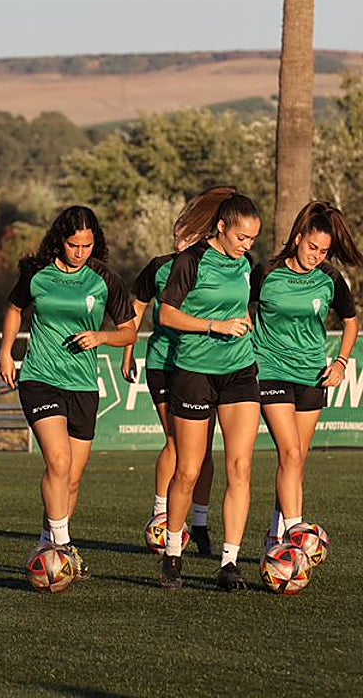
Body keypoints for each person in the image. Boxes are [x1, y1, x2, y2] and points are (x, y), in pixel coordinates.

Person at [0, 205, 136, 579]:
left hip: (84, 385)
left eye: (87, 245)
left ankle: (47, 542)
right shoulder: (37, 273)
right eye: (74, 245)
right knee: (57, 462)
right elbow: (15, 308)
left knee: (72, 477)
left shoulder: (104, 278)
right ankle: (62, 547)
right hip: (40, 377)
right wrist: (7, 351)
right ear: (60, 240)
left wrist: (102, 338)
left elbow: (129, 330)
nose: (80, 252)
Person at [157, 191, 262, 592]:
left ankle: (230, 563)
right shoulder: (191, 261)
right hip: (194, 372)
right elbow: (167, 314)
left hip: (238, 372)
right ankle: (172, 553)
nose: (246, 246)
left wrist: (244, 324)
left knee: (241, 467)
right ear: (222, 227)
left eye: (252, 239)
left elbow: (243, 307)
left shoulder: (246, 264)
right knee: (188, 469)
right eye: (241, 237)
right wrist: (213, 326)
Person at [123, 188, 236, 557]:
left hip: (203, 364)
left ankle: (200, 524)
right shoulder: (159, 266)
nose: (180, 241)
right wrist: (129, 350)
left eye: (186, 235)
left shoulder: (210, 266)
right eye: (177, 235)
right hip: (163, 362)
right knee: (176, 442)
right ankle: (161, 516)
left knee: (204, 452)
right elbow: (136, 307)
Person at [253, 201, 360, 548]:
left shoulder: (330, 279)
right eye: (312, 247)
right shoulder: (266, 272)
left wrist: (341, 362)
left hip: (312, 375)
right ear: (298, 238)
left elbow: (350, 322)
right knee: (290, 452)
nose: (316, 256)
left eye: (323, 251)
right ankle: (296, 535)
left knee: (296, 461)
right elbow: (241, 308)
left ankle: (276, 535)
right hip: (271, 371)